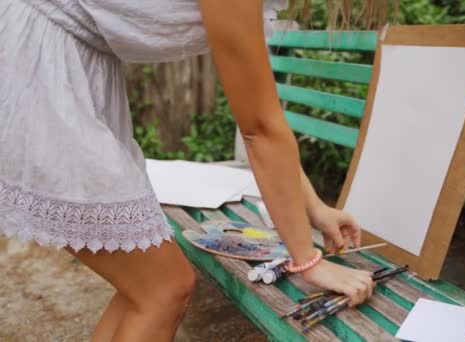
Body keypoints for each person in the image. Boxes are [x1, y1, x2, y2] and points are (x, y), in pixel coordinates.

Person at [0, 0, 376, 340]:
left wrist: (314, 207)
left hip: (61, 61)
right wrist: (308, 261)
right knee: (163, 289)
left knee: (150, 287)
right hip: (35, 65)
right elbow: (260, 129)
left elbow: (261, 120)